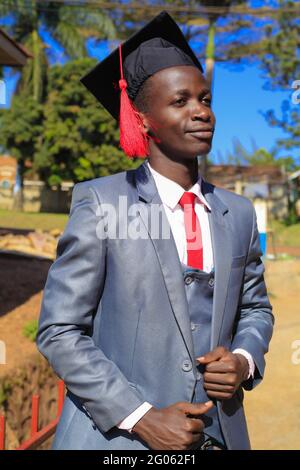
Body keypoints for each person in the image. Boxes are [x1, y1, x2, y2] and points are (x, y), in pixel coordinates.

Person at [37, 11, 274, 450]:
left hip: (218, 435)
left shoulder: (238, 213)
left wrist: (243, 359)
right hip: (119, 441)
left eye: (205, 99)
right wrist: (141, 417)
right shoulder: (103, 202)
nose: (201, 111)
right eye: (180, 101)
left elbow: (256, 309)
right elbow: (60, 330)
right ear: (143, 119)